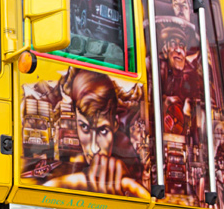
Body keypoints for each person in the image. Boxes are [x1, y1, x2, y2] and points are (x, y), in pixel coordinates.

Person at [44, 68, 147, 198]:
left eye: (103, 130)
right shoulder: (62, 160)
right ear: (75, 120)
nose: (94, 148)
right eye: (85, 128)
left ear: (115, 124)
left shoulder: (128, 153)